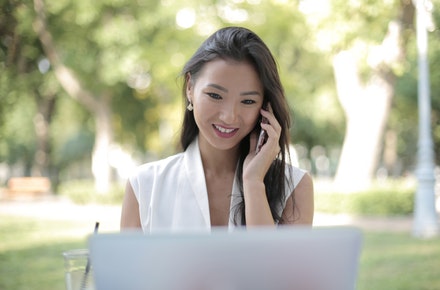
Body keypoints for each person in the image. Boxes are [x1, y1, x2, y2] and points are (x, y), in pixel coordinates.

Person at [121, 26, 314, 231]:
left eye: (248, 101)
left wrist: (254, 183)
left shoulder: (295, 186)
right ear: (190, 88)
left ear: (265, 107)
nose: (229, 116)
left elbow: (273, 264)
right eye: (215, 95)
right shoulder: (145, 186)